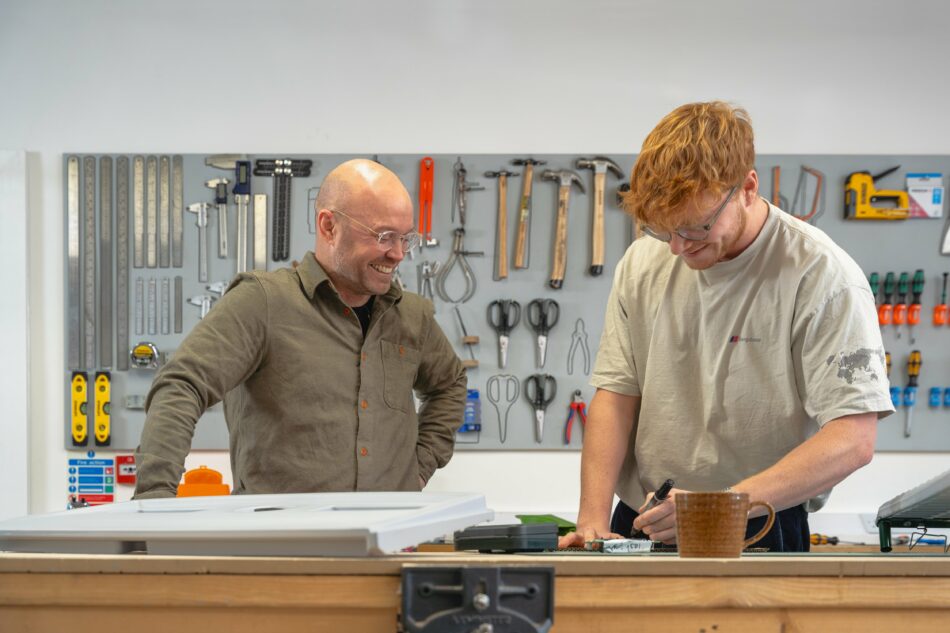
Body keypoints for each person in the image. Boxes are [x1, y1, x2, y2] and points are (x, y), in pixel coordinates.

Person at [558, 102, 894, 552]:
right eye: (663, 230)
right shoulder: (643, 260)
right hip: (643, 519)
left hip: (756, 520)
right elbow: (616, 395)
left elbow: (853, 438)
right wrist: (593, 518)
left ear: (748, 188)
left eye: (695, 229)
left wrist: (721, 506)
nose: (677, 248)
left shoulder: (822, 276)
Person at [134, 159, 467, 499]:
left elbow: (451, 384)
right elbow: (182, 385)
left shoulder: (412, 316)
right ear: (329, 227)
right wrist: (154, 500)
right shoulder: (262, 302)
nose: (397, 254)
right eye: (383, 236)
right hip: (283, 543)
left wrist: (419, 467)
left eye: (405, 238)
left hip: (387, 541)